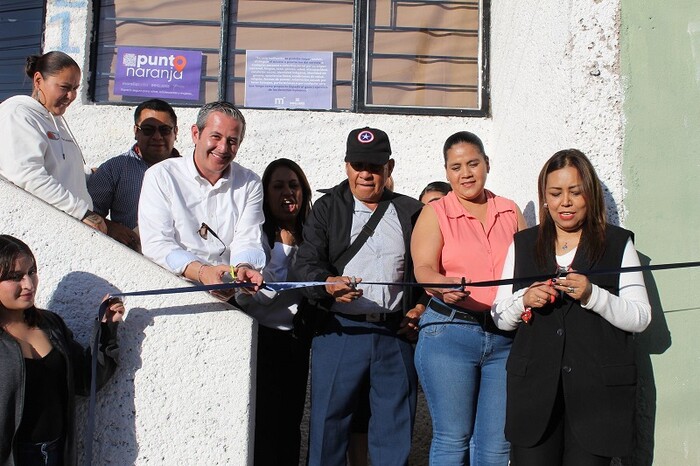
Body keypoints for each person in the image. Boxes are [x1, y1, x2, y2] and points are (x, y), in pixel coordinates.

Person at [491, 149, 651, 465]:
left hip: (597, 402)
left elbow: (641, 317)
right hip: (534, 400)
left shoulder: (618, 244)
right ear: (545, 198)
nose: (565, 202)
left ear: (589, 196)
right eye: (556, 193)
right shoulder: (523, 244)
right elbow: (499, 317)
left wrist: (594, 295)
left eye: (575, 192)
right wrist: (523, 298)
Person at [294, 127, 424, 466]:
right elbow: (305, 265)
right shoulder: (326, 209)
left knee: (394, 433)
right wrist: (328, 284)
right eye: (358, 165)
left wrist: (422, 307)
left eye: (375, 166)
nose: (365, 174)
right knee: (327, 430)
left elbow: (429, 267)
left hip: (394, 336)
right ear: (347, 166)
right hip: (339, 331)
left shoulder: (412, 211)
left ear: (389, 168)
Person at [410, 131, 527, 466]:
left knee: (496, 447)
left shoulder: (509, 210)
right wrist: (442, 284)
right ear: (447, 173)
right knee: (453, 440)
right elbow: (423, 268)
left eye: (473, 163)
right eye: (456, 166)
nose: (466, 173)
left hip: (505, 336)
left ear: (486, 164)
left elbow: (528, 266)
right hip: (450, 332)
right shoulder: (436, 212)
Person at [0, 234, 124, 465]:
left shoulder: (50, 324)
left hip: (57, 454)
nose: (28, 284)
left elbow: (86, 381)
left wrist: (106, 329)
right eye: (15, 277)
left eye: (32, 272)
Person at [138, 101, 264, 297]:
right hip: (175, 291)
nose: (222, 148)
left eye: (232, 141)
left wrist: (244, 269)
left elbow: (248, 238)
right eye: (216, 136)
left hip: (228, 297)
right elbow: (157, 244)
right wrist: (202, 272)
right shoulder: (161, 176)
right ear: (196, 134)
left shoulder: (250, 183)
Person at [236, 158, 313, 466]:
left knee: (290, 424)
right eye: (278, 186)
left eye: (294, 186)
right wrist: (284, 252)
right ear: (265, 194)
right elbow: (261, 297)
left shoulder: (313, 235)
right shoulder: (256, 238)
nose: (287, 193)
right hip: (260, 341)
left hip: (296, 341)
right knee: (263, 424)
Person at [0, 51, 107, 234]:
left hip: (71, 230)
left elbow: (60, 170)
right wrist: (81, 212)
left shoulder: (54, 120)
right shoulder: (18, 114)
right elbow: (28, 176)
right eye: (65, 87)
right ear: (38, 80)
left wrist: (88, 174)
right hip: (42, 232)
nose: (71, 96)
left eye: (75, 88)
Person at [88, 99, 180, 251]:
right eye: (148, 130)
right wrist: (111, 227)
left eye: (164, 130)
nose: (157, 137)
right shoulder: (114, 169)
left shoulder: (189, 172)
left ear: (175, 132)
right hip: (131, 257)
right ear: (136, 131)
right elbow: (87, 212)